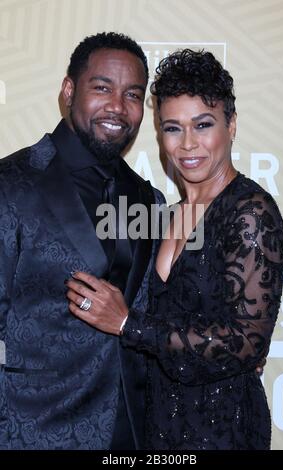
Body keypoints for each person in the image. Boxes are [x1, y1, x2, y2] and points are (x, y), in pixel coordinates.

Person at [67, 49, 283, 450]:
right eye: (172, 128)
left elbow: (244, 343)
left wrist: (126, 323)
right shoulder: (162, 216)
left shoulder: (250, 212)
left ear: (231, 125)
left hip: (223, 429)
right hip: (155, 426)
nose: (188, 144)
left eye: (203, 125)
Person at [0, 32, 164, 450]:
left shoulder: (148, 198)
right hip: (33, 428)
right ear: (69, 90)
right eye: (102, 87)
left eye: (132, 94)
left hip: (130, 431)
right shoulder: (11, 183)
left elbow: (153, 310)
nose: (117, 107)